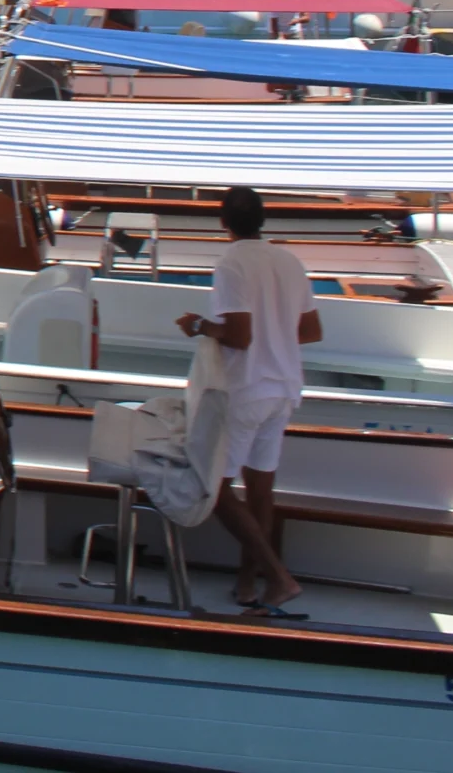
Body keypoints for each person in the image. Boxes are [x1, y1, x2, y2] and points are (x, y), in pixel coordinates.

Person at [176, 186, 322, 616]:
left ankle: (278, 578)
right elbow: (311, 330)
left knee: (215, 488)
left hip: (246, 390)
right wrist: (274, 336)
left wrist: (199, 324)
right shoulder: (289, 260)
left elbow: (238, 336)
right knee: (261, 491)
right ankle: (248, 586)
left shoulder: (231, 263)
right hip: (284, 389)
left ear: (223, 222)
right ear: (263, 219)